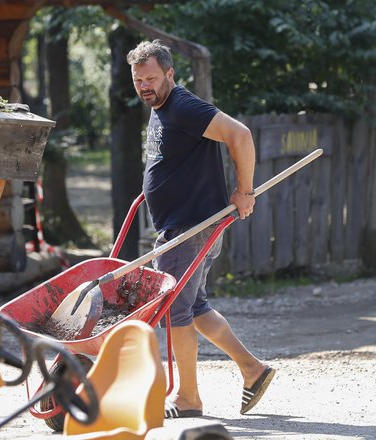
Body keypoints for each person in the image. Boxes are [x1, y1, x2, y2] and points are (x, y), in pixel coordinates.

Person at [126, 39, 275, 417]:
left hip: (189, 229)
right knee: (194, 308)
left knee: (174, 312)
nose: (145, 85)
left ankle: (189, 399)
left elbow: (239, 134)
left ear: (170, 74)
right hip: (188, 227)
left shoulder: (184, 105)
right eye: (138, 79)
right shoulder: (161, 107)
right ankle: (252, 369)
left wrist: (244, 191)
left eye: (152, 78)